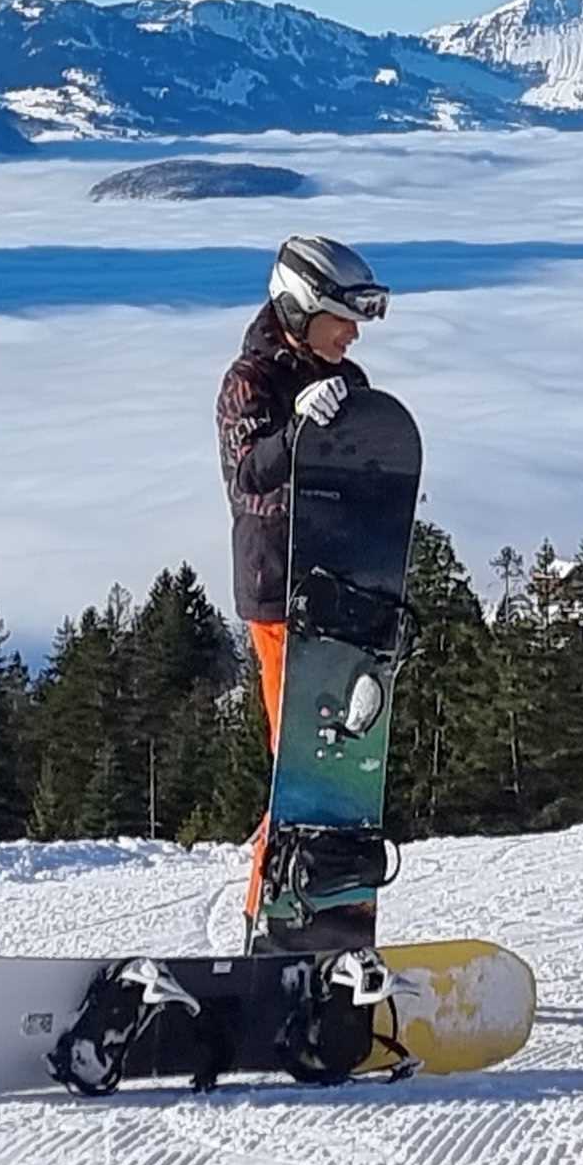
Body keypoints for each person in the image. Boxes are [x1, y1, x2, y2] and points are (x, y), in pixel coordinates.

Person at [220, 235, 386, 935]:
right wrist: (296, 432)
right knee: (303, 767)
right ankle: (269, 915)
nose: (353, 334)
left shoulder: (349, 380)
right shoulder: (250, 380)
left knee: (349, 765)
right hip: (280, 596)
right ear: (299, 310)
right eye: (341, 319)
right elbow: (247, 478)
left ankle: (339, 912)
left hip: (343, 592)